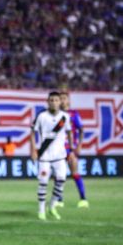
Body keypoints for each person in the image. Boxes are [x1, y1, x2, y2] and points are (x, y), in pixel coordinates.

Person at [30, 91, 73, 221]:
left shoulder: (65, 117)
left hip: (60, 156)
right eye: (51, 100)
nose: (54, 102)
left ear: (60, 102)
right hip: (44, 156)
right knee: (43, 182)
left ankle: (52, 206)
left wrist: (70, 150)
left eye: (56, 100)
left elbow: (69, 133)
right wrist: (33, 150)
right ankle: (41, 210)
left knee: (61, 181)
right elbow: (32, 133)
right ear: (48, 102)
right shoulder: (41, 116)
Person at [59, 92, 88, 208]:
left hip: (70, 149)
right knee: (59, 175)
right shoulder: (57, 115)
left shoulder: (74, 114)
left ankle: (83, 199)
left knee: (74, 173)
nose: (62, 100)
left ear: (68, 101)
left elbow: (81, 130)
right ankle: (59, 200)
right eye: (60, 98)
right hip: (59, 149)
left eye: (64, 98)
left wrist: (79, 145)